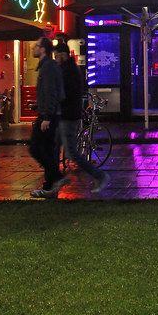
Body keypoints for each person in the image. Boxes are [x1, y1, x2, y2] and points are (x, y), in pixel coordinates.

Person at [54, 42, 110, 192]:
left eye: (57, 55)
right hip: (66, 114)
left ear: (63, 54)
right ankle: (56, 178)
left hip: (68, 115)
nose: (56, 58)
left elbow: (66, 92)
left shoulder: (68, 70)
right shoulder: (68, 68)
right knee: (55, 146)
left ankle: (99, 175)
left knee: (71, 152)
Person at [29, 37, 67, 198]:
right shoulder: (47, 66)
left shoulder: (48, 67)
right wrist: (39, 104)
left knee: (36, 148)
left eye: (36, 46)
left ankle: (57, 178)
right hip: (49, 114)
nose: (33, 48)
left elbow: (52, 92)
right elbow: (49, 92)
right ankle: (50, 185)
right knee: (46, 150)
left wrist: (47, 116)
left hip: (49, 117)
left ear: (43, 49)